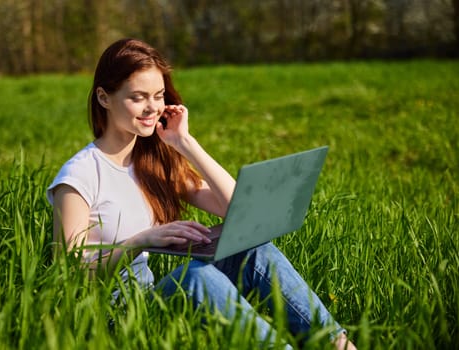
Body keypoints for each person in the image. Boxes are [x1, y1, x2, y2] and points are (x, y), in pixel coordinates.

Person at [47, 38, 356, 349]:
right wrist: (140, 241)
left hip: (153, 301)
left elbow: (244, 212)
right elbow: (68, 269)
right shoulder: (79, 176)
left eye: (158, 95)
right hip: (117, 320)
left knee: (253, 251)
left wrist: (185, 143)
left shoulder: (152, 163)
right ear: (104, 97)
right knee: (194, 276)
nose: (152, 107)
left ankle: (339, 346)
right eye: (138, 97)